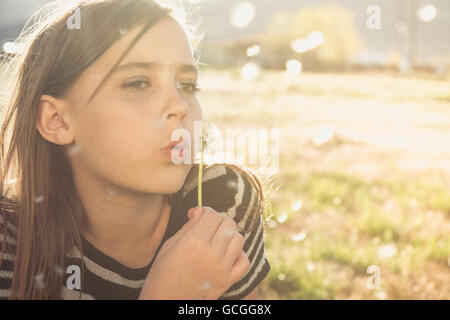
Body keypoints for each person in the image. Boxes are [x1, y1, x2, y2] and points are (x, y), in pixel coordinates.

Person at [0, 0, 271, 300]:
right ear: (57, 120)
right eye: (138, 83)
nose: (180, 107)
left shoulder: (223, 200)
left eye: (188, 84)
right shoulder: (9, 242)